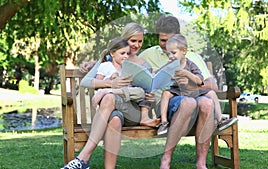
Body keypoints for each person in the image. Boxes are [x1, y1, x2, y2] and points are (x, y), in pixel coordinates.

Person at [139, 15, 236, 169]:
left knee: (205, 102)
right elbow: (125, 63)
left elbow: (212, 87)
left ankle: (201, 163)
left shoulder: (192, 58)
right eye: (162, 40)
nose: (166, 47)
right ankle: (166, 158)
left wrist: (191, 84)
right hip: (167, 107)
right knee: (188, 102)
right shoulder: (149, 54)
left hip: (193, 102)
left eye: (169, 41)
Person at [61, 22, 155, 169]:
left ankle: (83, 158)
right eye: (133, 41)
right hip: (113, 110)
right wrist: (111, 84)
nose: (136, 45)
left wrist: (108, 90)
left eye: (140, 41)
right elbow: (86, 81)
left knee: (109, 98)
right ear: (124, 40)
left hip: (134, 113)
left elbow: (144, 92)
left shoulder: (143, 65)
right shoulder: (109, 60)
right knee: (115, 119)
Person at [157, 34, 238, 135]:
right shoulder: (170, 65)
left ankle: (220, 120)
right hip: (178, 92)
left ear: (184, 51)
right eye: (168, 54)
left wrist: (187, 74)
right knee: (165, 94)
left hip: (194, 91)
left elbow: (200, 81)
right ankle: (164, 123)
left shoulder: (190, 64)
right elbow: (159, 74)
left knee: (211, 93)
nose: (171, 56)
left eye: (173, 53)